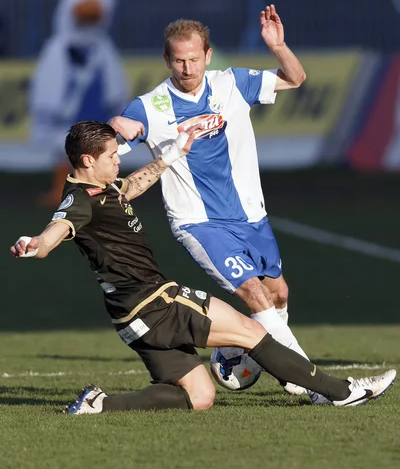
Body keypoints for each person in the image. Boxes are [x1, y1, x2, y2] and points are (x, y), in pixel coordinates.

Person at [10, 120, 396, 414]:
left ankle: (99, 404)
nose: (118, 160)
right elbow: (54, 232)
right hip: (156, 302)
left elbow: (128, 188)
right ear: (87, 160)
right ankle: (342, 392)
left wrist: (172, 155)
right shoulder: (77, 201)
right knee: (249, 330)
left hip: (130, 318)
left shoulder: (101, 188)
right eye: (112, 156)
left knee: (199, 395)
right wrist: (36, 244)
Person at [109, 5, 314, 396]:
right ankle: (304, 376)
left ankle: (249, 355)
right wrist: (118, 127)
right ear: (167, 60)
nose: (187, 68)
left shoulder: (231, 83)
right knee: (253, 292)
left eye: (193, 59)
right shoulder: (151, 106)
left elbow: (295, 78)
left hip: (251, 214)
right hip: (198, 222)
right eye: (178, 61)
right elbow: (116, 137)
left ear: (207, 55)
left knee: (279, 293)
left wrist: (279, 46)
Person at [30, 0, 128, 207]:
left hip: (95, 106)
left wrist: (116, 102)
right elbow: (49, 80)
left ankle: (100, 190)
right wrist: (51, 107)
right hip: (68, 108)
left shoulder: (102, 47)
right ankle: (61, 190)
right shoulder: (59, 47)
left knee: (97, 150)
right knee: (64, 148)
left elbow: (114, 78)